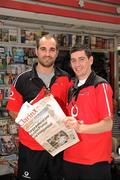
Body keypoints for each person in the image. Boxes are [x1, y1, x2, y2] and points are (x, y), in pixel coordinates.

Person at [6, 34, 71, 180]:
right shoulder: (22, 79)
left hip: (58, 145)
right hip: (31, 148)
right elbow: (12, 110)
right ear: (36, 51)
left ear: (56, 52)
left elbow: (70, 108)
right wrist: (37, 127)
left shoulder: (65, 78)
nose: (47, 53)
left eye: (51, 49)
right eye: (43, 49)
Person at [63, 45, 113, 180]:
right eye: (73, 60)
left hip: (94, 161)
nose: (77, 64)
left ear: (90, 60)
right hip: (69, 158)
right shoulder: (71, 88)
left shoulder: (100, 86)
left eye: (81, 59)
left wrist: (80, 127)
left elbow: (108, 124)